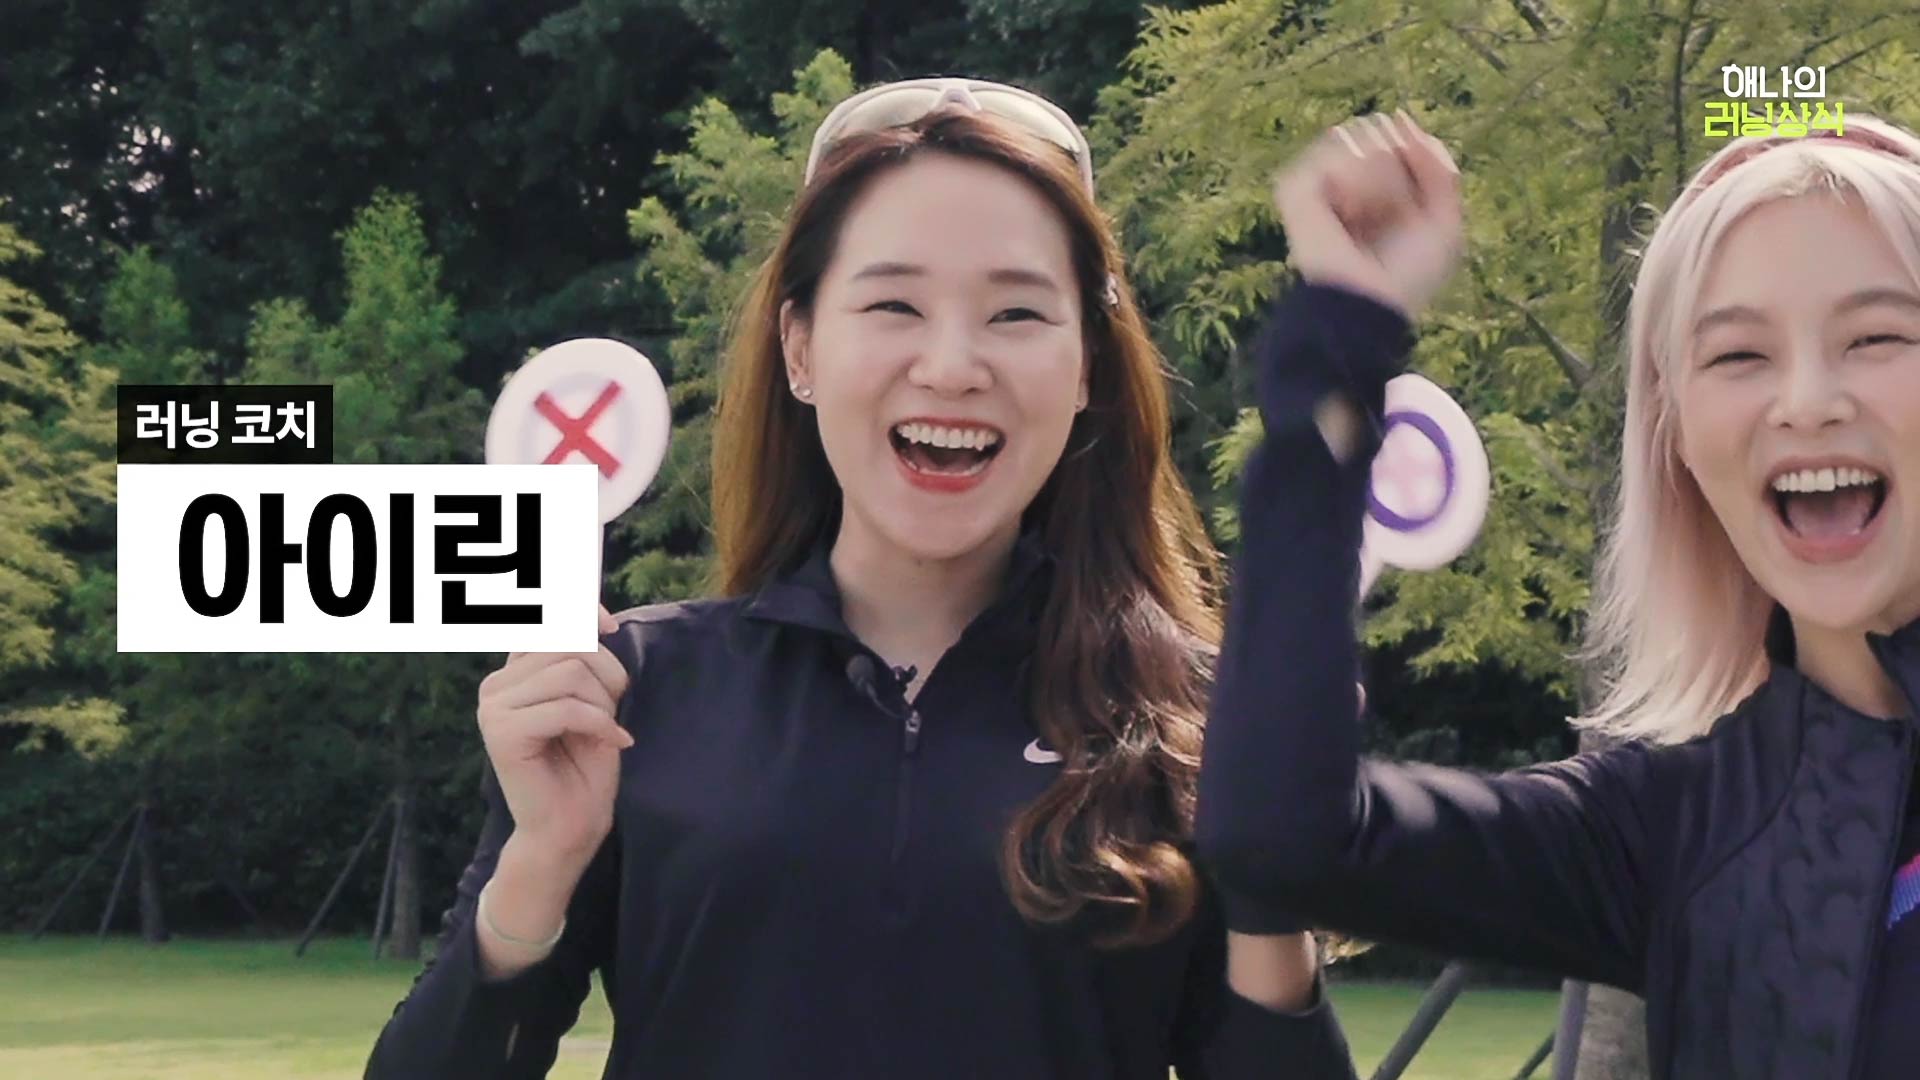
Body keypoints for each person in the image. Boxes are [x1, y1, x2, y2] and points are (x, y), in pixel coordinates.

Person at [366, 78, 1358, 1079]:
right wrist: (541, 863)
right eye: (893, 304)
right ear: (800, 347)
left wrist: (1271, 888)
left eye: (1016, 312)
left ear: (1087, 368)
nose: (952, 365)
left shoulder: (1200, 724)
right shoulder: (630, 696)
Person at [1195, 105, 1920, 1080]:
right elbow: (1283, 839)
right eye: (1738, 355)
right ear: (1676, 435)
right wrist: (1340, 334)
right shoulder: (1671, 826)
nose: (1806, 402)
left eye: (1877, 337)